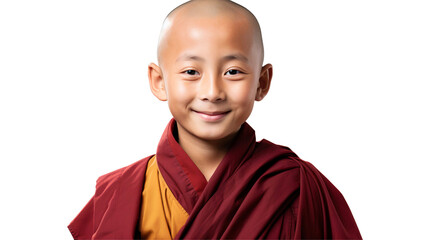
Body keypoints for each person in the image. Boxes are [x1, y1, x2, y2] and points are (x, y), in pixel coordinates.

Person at [68, 0, 362, 239]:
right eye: (191, 72)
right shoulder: (120, 193)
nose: (212, 92)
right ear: (159, 81)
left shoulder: (295, 186)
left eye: (233, 72)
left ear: (262, 82)